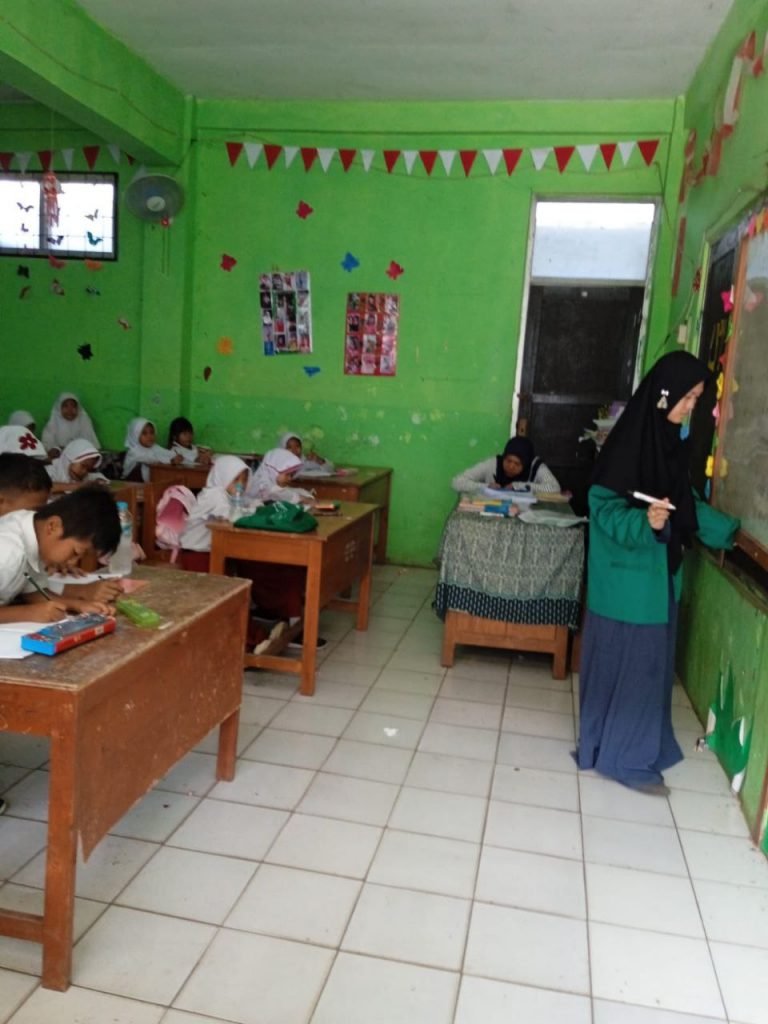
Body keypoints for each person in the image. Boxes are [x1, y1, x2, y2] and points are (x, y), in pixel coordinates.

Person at [576, 351, 740, 794]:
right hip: (625, 585)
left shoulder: (669, 448)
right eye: (687, 397)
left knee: (649, 670)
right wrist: (643, 522)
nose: (691, 407)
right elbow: (602, 509)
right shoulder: (626, 449)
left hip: (658, 581)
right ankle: (623, 758)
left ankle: (630, 746)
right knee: (631, 670)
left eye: (698, 398)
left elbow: (685, 506)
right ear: (664, 395)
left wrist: (733, 533)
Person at [0, 486, 120, 625]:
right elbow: (30, 607)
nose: (73, 563)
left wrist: (78, 605)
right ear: (53, 526)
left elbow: (33, 592)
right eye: (75, 552)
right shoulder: (8, 553)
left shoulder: (37, 535)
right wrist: (28, 613)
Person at [179, 456, 254, 568]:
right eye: (236, 479)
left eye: (244, 480)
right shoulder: (214, 495)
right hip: (197, 553)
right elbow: (230, 516)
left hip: (209, 550)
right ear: (223, 476)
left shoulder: (228, 495)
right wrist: (253, 512)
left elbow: (242, 507)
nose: (241, 485)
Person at [451, 436, 560, 494]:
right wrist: (486, 487)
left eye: (517, 464)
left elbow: (554, 488)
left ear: (526, 463)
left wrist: (519, 486)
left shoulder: (536, 467)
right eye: (508, 461)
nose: (511, 467)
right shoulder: (492, 464)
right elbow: (457, 482)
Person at [122, 418, 182, 482]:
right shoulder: (134, 451)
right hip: (131, 482)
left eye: (152, 432)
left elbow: (165, 453)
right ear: (135, 435)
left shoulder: (154, 447)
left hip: (147, 483)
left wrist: (175, 456)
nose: (149, 436)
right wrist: (171, 461)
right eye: (144, 433)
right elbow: (151, 459)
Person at [41, 392, 100, 458]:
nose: (70, 410)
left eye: (73, 406)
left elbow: (91, 445)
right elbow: (47, 444)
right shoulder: (52, 424)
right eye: (65, 406)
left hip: (80, 459)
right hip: (58, 458)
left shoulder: (84, 421)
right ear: (59, 408)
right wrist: (56, 449)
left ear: (78, 409)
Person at [247, 448, 313, 503]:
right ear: (273, 471)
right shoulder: (263, 484)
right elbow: (280, 493)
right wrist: (305, 499)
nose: (290, 478)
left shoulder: (271, 480)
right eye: (287, 474)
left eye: (292, 475)